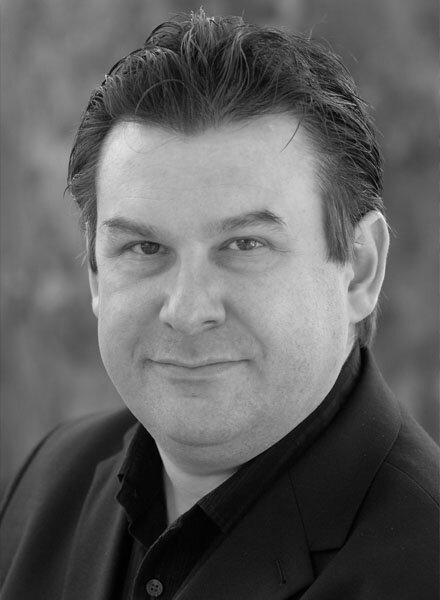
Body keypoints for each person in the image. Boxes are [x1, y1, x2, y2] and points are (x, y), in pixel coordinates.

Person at [1, 9, 438, 600]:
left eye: (244, 245)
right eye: (144, 247)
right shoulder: (49, 482)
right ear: (96, 272)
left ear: (360, 268)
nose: (187, 310)